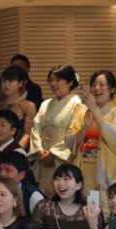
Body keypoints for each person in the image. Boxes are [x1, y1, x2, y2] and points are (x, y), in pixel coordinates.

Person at [70, 70, 116, 206]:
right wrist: (85, 127)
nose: (97, 88)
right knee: (89, 208)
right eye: (94, 84)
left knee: (106, 209)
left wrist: (95, 111)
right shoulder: (82, 112)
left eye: (102, 84)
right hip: (85, 169)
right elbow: (70, 143)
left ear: (112, 89)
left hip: (106, 171)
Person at [29, 65, 86, 196]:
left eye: (58, 80)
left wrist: (53, 154)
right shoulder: (45, 104)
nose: (53, 84)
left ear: (70, 82)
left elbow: (74, 132)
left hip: (62, 158)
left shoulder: (79, 104)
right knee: (44, 193)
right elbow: (35, 128)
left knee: (62, 190)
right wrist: (39, 151)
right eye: (51, 80)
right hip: (43, 156)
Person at [0, 65, 36, 151]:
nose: (6, 85)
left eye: (11, 81)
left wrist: (16, 152)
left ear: (20, 83)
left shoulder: (28, 106)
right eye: (4, 81)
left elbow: (27, 134)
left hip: (18, 150)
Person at [0, 152, 45, 217]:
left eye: (8, 170)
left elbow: (42, 221)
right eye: (0, 169)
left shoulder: (33, 196)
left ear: (21, 175)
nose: (2, 174)